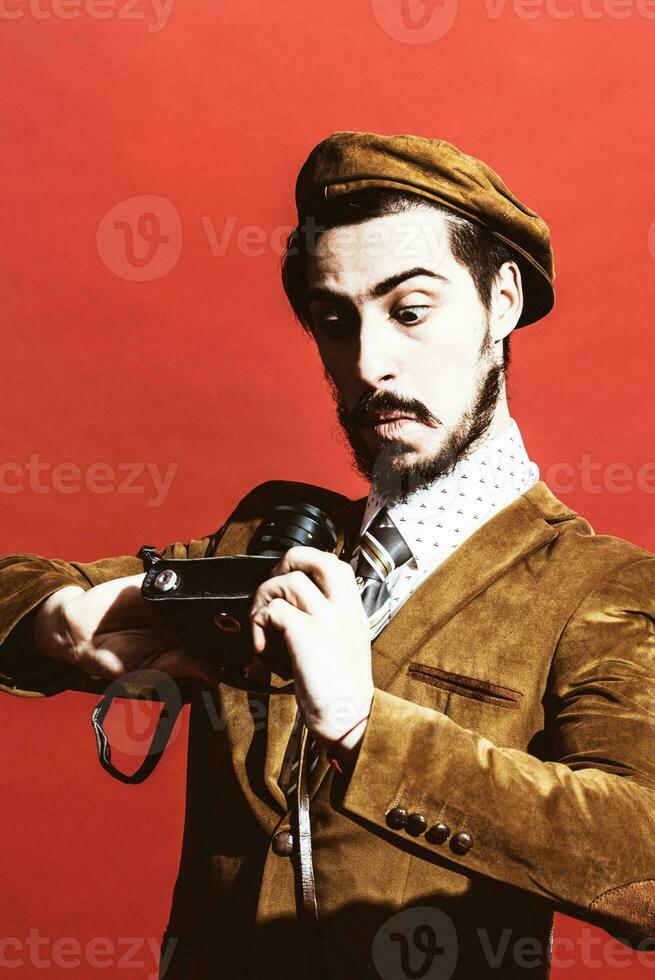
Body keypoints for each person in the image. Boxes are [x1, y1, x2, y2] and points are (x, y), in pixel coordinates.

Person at [1, 130, 655, 980]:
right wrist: (59, 624)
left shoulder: (599, 588)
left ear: (500, 302)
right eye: (333, 320)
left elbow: (640, 863)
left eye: (409, 311)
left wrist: (364, 726)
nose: (368, 363)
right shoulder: (272, 537)